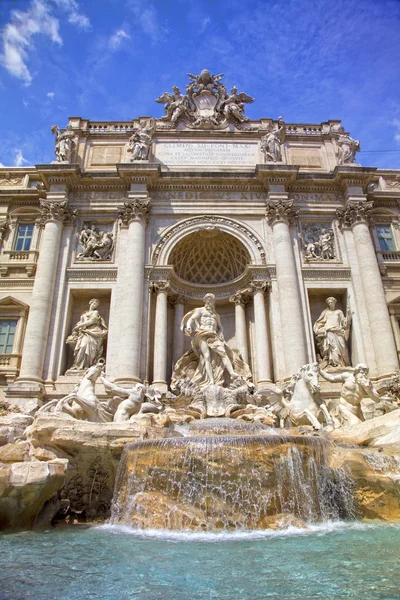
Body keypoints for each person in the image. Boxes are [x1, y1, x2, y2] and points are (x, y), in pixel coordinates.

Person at [181, 293, 240, 387]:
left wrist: (220, 333)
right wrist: (188, 326)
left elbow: (220, 327)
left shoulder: (216, 315)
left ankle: (232, 373)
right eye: (208, 300)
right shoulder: (200, 310)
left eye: (211, 300)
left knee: (223, 353)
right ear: (205, 301)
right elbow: (192, 319)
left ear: (213, 302)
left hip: (213, 335)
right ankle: (211, 380)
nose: (209, 301)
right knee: (207, 356)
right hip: (202, 334)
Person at [319, 364, 390, 426]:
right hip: (344, 406)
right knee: (354, 424)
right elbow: (331, 378)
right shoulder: (347, 376)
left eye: (365, 373)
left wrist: (368, 389)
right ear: (356, 371)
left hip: (357, 410)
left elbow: (377, 399)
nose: (363, 374)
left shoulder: (367, 383)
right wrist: (320, 371)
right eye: (361, 372)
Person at [66, 299, 108, 371]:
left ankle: (88, 365)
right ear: (90, 303)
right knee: (82, 347)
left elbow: (91, 321)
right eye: (94, 303)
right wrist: (77, 327)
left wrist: (79, 326)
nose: (95, 305)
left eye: (96, 305)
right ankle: (78, 365)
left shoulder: (96, 312)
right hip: (83, 333)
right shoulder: (84, 314)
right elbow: (80, 322)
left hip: (93, 332)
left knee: (85, 347)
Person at [313, 297, 350, 368]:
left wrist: (348, 313)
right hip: (329, 331)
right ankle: (335, 364)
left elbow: (344, 323)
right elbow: (320, 322)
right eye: (329, 303)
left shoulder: (339, 312)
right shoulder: (326, 312)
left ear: (334, 302)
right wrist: (319, 329)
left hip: (338, 332)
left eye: (331, 302)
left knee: (342, 346)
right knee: (332, 347)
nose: (330, 303)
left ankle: (342, 363)